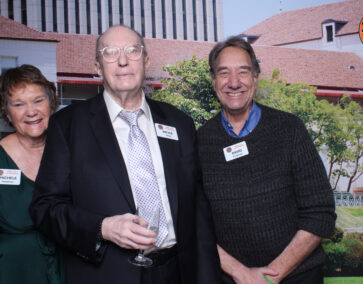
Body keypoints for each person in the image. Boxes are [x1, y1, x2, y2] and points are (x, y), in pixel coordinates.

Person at [30, 25, 220, 284]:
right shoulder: (68, 125)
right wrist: (102, 228)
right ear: (98, 68)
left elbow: (198, 210)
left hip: (177, 272)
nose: (122, 60)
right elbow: (45, 208)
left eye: (132, 50)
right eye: (110, 52)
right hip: (107, 274)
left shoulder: (179, 123)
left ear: (146, 60)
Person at [197, 36, 336, 284]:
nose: (234, 82)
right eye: (224, 73)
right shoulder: (198, 142)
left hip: (298, 277)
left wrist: (271, 276)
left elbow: (320, 213)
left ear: (255, 77)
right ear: (214, 80)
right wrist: (241, 274)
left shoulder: (290, 129)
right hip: (230, 279)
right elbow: (195, 224)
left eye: (243, 72)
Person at [0, 64, 64, 284]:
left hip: (70, 272)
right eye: (19, 104)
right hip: (13, 274)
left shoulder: (72, 152)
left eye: (38, 101)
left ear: (52, 103)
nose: (31, 112)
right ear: (7, 112)